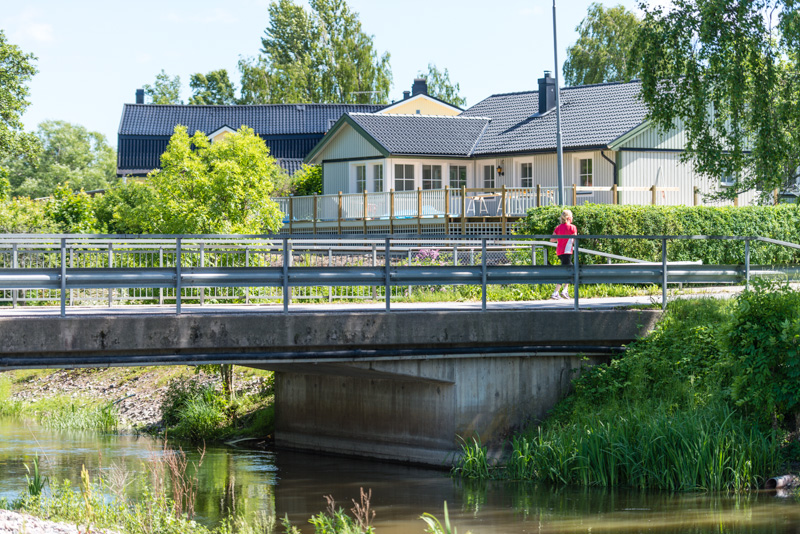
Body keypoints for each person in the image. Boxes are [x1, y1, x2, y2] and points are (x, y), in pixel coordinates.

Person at [550, 209, 577, 300]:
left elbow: (552, 239)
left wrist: (560, 238)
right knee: (567, 271)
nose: (572, 218)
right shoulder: (572, 227)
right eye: (572, 216)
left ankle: (564, 290)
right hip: (567, 251)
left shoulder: (558, 227)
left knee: (570, 269)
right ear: (569, 218)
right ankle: (556, 292)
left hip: (559, 251)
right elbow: (575, 240)